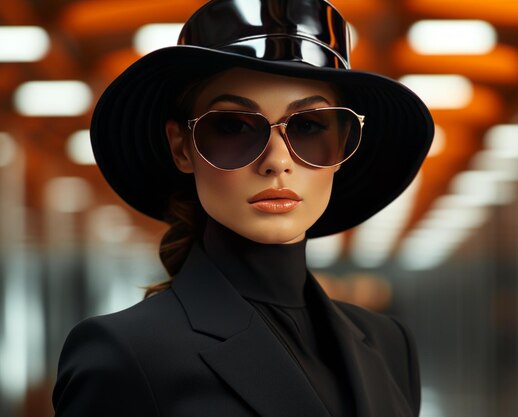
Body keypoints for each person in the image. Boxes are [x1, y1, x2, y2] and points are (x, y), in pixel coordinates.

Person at [52, 0, 434, 416]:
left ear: (342, 145)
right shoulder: (124, 353)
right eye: (232, 126)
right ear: (182, 147)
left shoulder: (390, 345)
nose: (277, 160)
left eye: (308, 126)